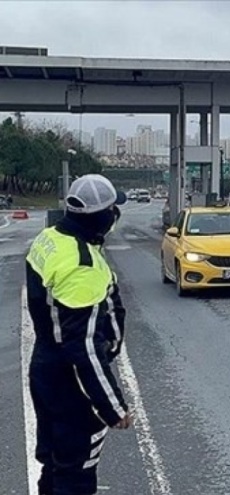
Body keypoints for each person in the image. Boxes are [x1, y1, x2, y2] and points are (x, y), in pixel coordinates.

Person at [25, 174, 131, 495]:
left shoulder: (52, 238)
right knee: (77, 473)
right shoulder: (81, 267)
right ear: (101, 217)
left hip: (44, 366)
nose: (116, 214)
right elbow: (83, 350)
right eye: (113, 209)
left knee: (56, 463)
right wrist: (112, 407)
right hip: (71, 383)